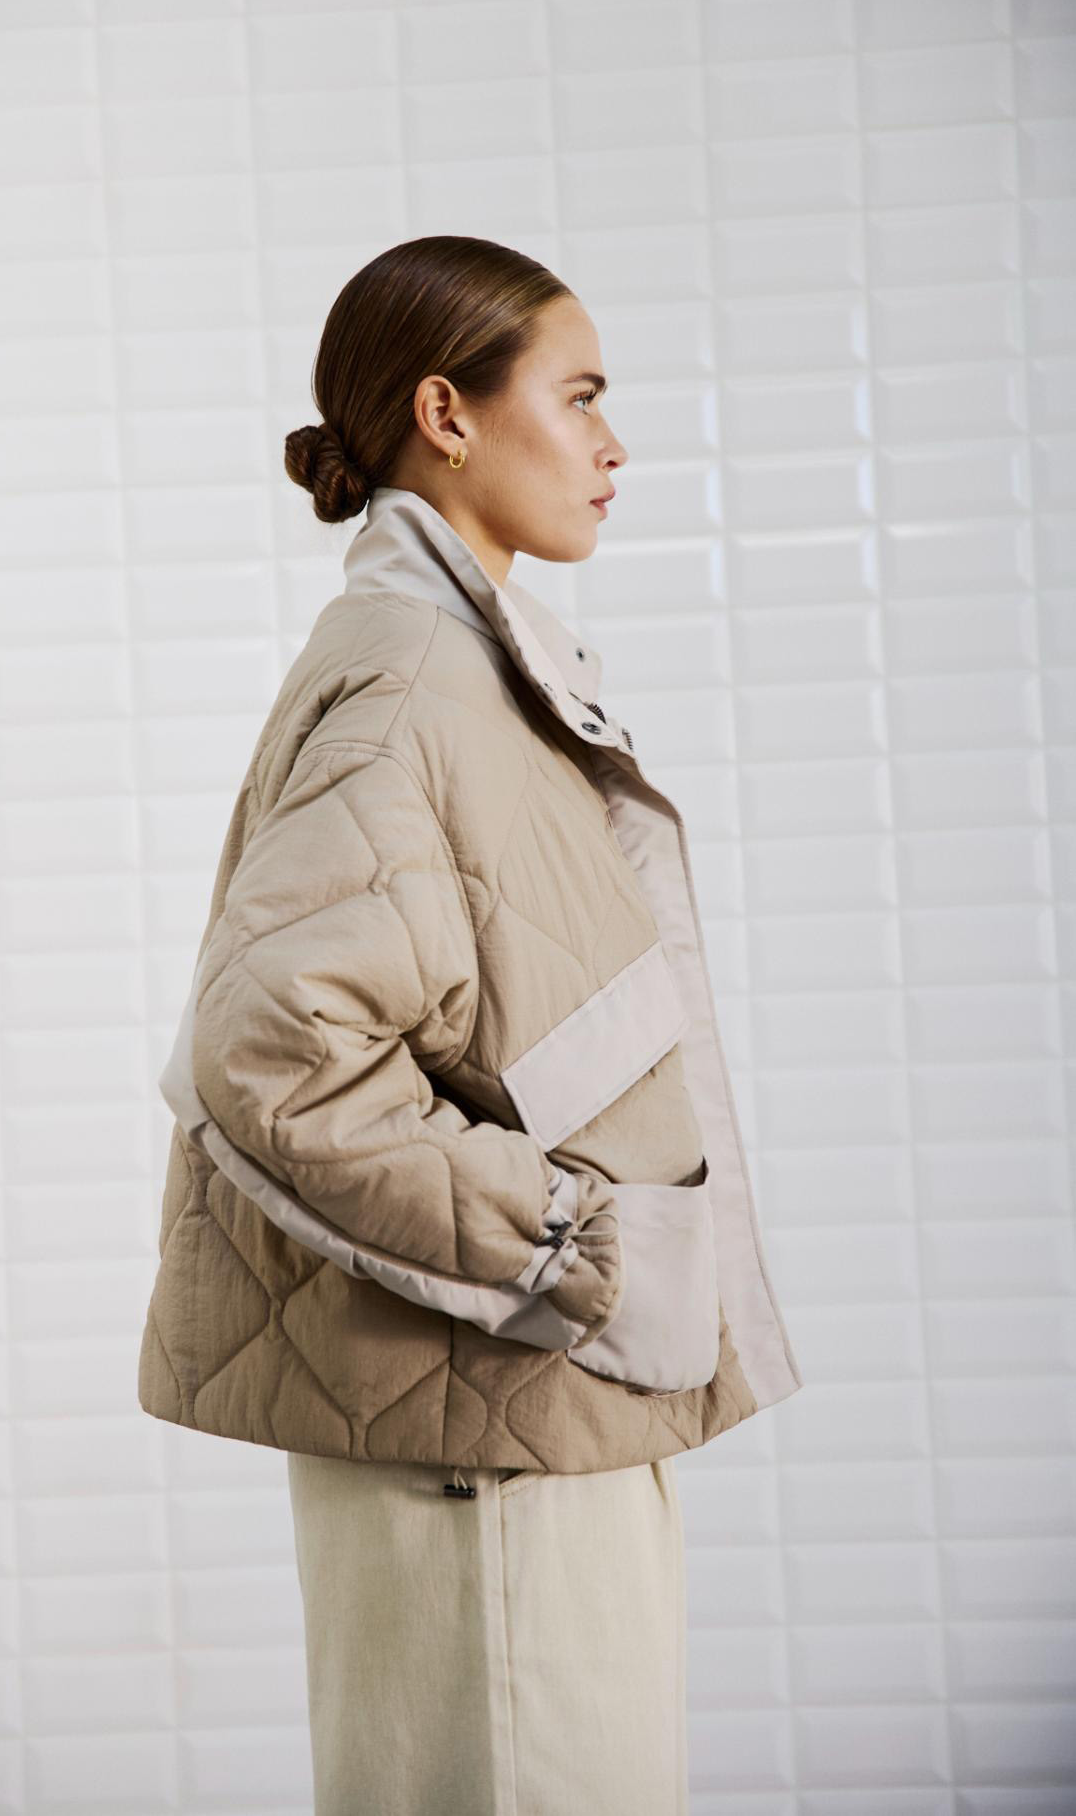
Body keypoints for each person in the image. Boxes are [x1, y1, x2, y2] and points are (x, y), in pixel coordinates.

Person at [137, 235, 803, 1815]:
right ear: (447, 413)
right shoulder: (416, 686)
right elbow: (275, 1055)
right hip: (481, 1444)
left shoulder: (469, 668)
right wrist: (577, 1254)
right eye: (577, 397)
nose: (611, 444)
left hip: (512, 1414)